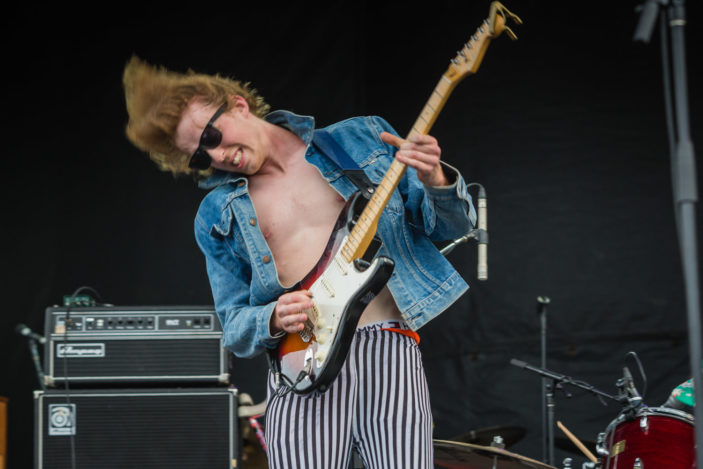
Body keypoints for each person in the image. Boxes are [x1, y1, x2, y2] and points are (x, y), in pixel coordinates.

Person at [122, 55, 477, 469]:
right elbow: (234, 325)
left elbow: (450, 227)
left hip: (388, 346)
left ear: (238, 104)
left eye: (212, 135)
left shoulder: (359, 138)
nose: (217, 155)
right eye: (201, 157)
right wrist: (273, 317)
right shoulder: (216, 214)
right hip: (302, 365)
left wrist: (435, 179)